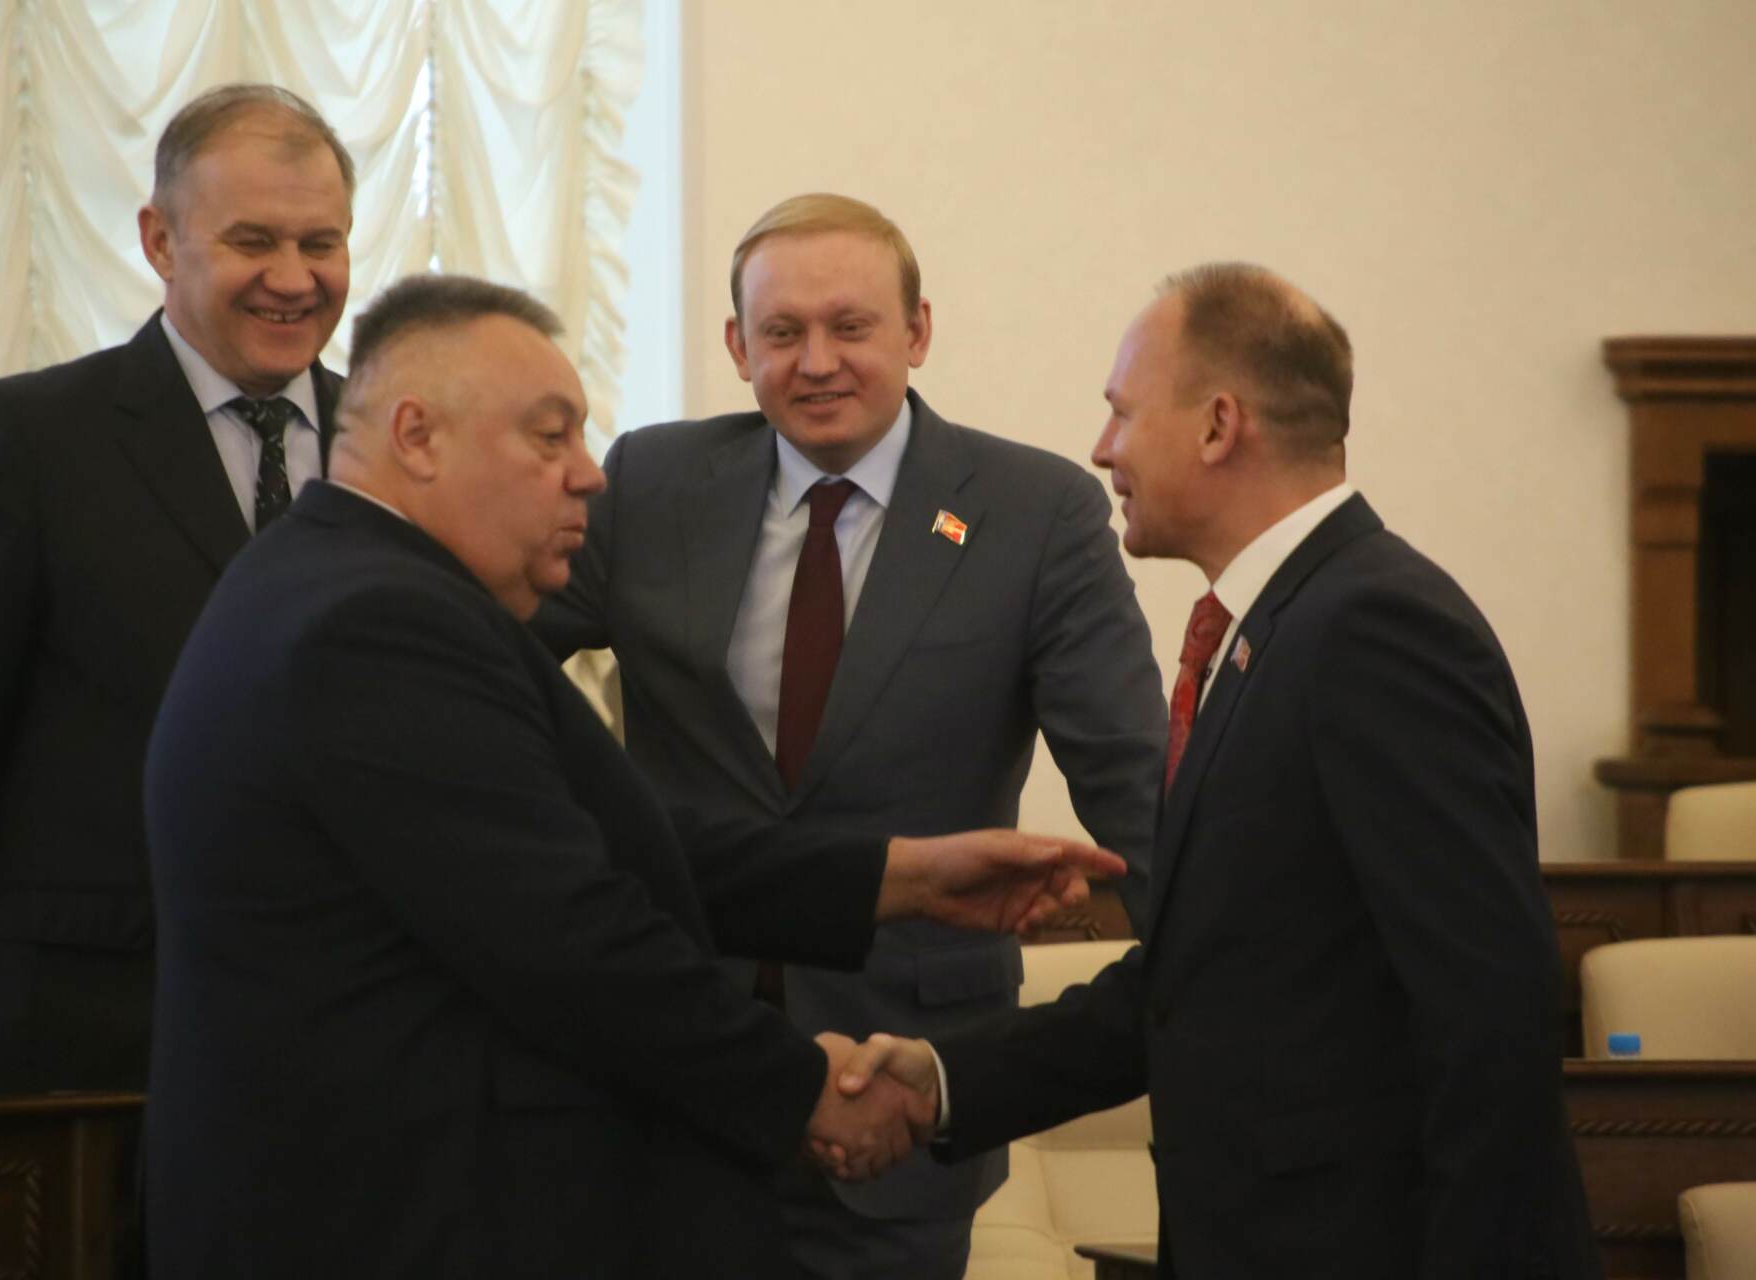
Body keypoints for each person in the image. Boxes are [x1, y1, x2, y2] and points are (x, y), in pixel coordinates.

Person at [141, 272, 1126, 1279]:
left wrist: (897, 877)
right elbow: (568, 932)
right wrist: (801, 1087)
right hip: (391, 1221)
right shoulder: (375, 624)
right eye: (550, 437)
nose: (590, 476)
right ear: (417, 436)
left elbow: (596, 842)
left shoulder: (357, 585)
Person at [839, 264, 1602, 1278]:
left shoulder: (1374, 627)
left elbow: (1487, 1006)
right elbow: (1202, 981)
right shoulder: (1272, 631)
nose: (1102, 447)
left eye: (1122, 411)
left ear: (1217, 426)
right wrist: (944, 1080)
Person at [531, 193, 1166, 1276]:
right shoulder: (649, 482)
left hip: (903, 1072)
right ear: (738, 347)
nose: (817, 361)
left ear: (918, 331)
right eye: (782, 332)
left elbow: (1133, 779)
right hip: (668, 1061)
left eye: (852, 326)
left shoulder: (1035, 512)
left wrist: (1213, 972)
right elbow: (485, 661)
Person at [0, 83, 353, 1098]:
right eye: (253, 241)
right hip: (93, 1041)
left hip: (348, 1045)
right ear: (161, 242)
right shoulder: (30, 442)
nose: (293, 278)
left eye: (322, 243)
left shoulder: (396, 449)